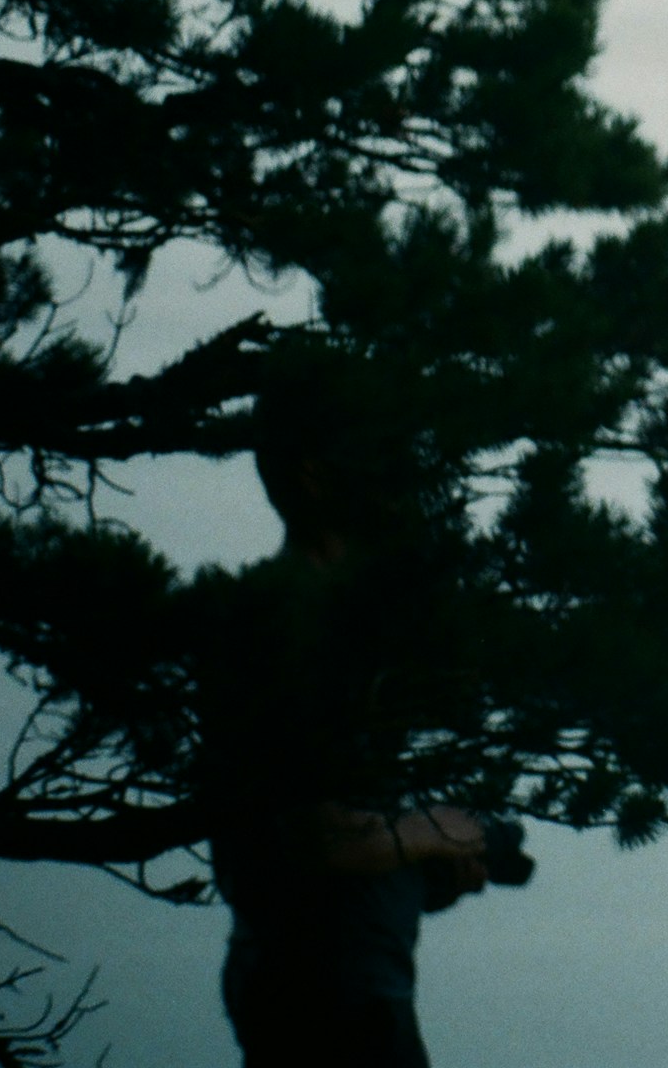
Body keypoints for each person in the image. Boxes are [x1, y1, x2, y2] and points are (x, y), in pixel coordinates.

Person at [202, 402, 533, 1068]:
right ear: (315, 475)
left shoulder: (333, 626)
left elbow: (303, 849)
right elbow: (316, 835)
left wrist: (425, 875)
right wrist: (445, 828)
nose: (399, 483)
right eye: (378, 464)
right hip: (330, 997)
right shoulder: (287, 625)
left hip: (330, 983)